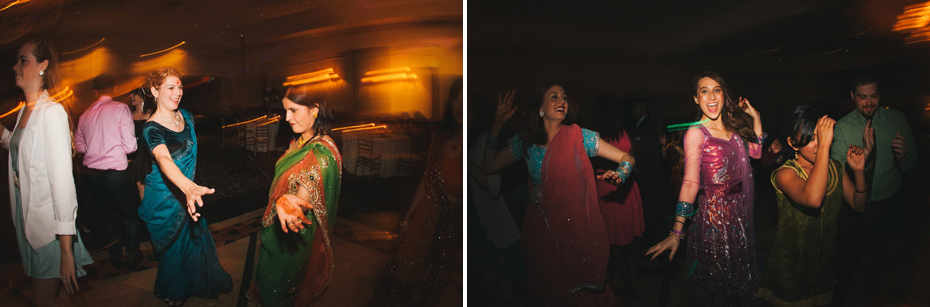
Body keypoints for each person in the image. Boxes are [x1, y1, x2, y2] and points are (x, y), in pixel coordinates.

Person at [482, 84, 635, 306]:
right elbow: (489, 166)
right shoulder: (525, 142)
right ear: (541, 108)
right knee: (550, 291)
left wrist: (621, 173)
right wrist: (497, 125)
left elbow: (627, 157)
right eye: (554, 97)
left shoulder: (579, 137)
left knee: (581, 296)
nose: (561, 100)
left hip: (576, 228)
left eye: (564, 97)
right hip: (539, 227)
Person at [646, 71, 766, 306]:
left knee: (743, 282)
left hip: (740, 215)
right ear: (696, 99)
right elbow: (690, 182)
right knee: (718, 286)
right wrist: (676, 232)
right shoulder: (696, 133)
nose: (711, 96)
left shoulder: (734, 129)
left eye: (717, 90)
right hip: (715, 220)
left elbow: (756, 153)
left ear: (723, 95)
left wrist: (756, 118)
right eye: (704, 91)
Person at [2, 38, 94, 306]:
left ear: (43, 65)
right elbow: (23, 152)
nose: (15, 66)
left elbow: (63, 184)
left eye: (23, 60)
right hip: (26, 218)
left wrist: (66, 251)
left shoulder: (51, 113)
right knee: (60, 296)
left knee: (43, 299)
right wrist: (3, 136)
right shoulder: (24, 111)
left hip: (49, 229)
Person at [758, 106, 869, 306]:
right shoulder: (786, 173)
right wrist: (825, 146)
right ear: (792, 143)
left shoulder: (835, 168)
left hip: (823, 266)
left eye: (821, 137)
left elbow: (858, 204)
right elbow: (813, 199)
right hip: (790, 268)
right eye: (811, 139)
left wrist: (859, 172)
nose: (818, 144)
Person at [139, 67, 231, 306]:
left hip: (188, 196)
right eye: (170, 87)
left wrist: (190, 190)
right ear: (154, 91)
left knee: (193, 246)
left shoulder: (187, 117)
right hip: (164, 200)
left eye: (179, 87)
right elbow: (164, 160)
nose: (177, 92)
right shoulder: (152, 128)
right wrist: (188, 187)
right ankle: (170, 290)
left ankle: (195, 284)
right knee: (172, 254)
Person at [247, 85, 343, 306]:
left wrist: (286, 201)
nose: (287, 118)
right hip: (278, 226)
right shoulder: (301, 141)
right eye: (285, 110)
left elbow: (301, 202)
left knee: (277, 294)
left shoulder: (319, 155)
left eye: (293, 110)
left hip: (291, 236)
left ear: (315, 109)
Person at [371, 79, 464, 306]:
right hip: (426, 217)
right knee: (403, 278)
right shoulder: (440, 140)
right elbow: (427, 180)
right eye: (457, 98)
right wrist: (407, 218)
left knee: (438, 286)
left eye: (467, 101)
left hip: (456, 227)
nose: (461, 106)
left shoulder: (476, 145)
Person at [829, 75, 918, 301]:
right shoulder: (842, 128)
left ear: (880, 94)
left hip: (888, 203)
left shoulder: (897, 120)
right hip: (854, 208)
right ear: (852, 97)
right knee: (845, 264)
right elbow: (836, 173)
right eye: (862, 97)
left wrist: (904, 157)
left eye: (873, 96)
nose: (868, 103)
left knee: (883, 262)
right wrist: (862, 158)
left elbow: (912, 166)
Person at [75, 73, 143, 270]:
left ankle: (115, 257)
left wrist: (95, 149)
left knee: (109, 217)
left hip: (94, 176)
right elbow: (130, 147)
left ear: (95, 91)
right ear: (113, 89)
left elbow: (79, 146)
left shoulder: (85, 114)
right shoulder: (120, 109)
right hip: (116, 175)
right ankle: (131, 256)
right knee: (131, 215)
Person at [590, 94, 644, 298]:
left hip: (607, 192)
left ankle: (629, 289)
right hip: (627, 191)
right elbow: (635, 166)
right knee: (625, 240)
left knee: (616, 245)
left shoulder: (594, 140)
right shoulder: (624, 134)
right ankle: (640, 270)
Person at [629, 97, 668, 244]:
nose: (633, 110)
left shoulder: (648, 126)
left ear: (643, 108)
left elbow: (648, 151)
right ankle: (654, 238)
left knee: (654, 209)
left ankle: (658, 240)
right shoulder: (639, 126)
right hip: (647, 176)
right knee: (650, 209)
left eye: (635, 107)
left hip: (650, 176)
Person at [128, 86, 154, 201]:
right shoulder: (129, 114)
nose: (131, 97)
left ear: (142, 96)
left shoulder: (152, 114)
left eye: (134, 94)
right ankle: (146, 212)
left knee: (149, 183)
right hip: (135, 152)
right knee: (138, 184)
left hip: (148, 152)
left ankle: (153, 209)